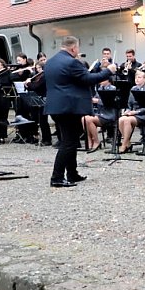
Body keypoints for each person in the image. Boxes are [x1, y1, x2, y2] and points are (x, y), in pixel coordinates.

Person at [44, 36, 117, 187]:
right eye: (78, 48)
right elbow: (88, 78)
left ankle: (72, 173)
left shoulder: (50, 62)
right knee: (68, 142)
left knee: (71, 141)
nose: (78, 51)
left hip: (57, 107)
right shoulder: (71, 62)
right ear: (73, 48)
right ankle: (56, 177)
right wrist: (108, 71)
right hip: (68, 107)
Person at [117, 70, 145, 153]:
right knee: (121, 119)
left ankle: (124, 144)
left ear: (144, 79)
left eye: (139, 77)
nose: (137, 79)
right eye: (136, 77)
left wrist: (135, 112)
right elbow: (129, 104)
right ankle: (128, 143)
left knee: (126, 120)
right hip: (133, 113)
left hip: (144, 114)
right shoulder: (133, 89)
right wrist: (127, 111)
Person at [83, 79, 117, 151]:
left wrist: (98, 101)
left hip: (109, 115)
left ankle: (96, 141)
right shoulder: (100, 88)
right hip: (100, 113)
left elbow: (111, 103)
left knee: (89, 119)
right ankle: (90, 140)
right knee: (84, 118)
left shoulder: (113, 89)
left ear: (108, 80)